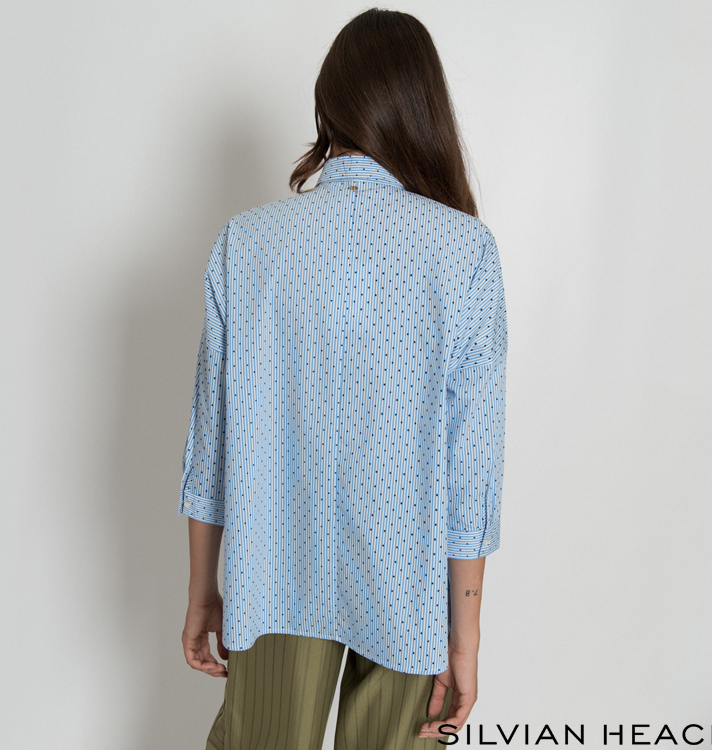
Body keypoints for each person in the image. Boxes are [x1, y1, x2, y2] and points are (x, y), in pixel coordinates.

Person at [178, 8, 508, 749]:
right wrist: (465, 638)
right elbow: (471, 473)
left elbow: (211, 446)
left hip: (272, 578)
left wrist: (203, 591)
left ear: (328, 105)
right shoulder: (465, 253)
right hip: (408, 589)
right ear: (425, 108)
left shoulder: (247, 243)